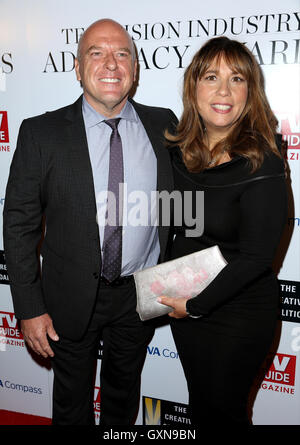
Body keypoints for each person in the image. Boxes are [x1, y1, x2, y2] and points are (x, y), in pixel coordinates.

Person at [3, 18, 177, 425]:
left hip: (139, 297)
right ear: (78, 68)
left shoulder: (165, 125)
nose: (111, 64)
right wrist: (28, 309)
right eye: (96, 53)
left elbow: (180, 207)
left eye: (122, 54)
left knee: (123, 398)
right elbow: (19, 226)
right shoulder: (40, 133)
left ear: (135, 69)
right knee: (70, 403)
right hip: (69, 298)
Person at [158, 37, 287, 425]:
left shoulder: (263, 161)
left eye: (237, 79)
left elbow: (256, 258)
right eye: (211, 77)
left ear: (251, 91)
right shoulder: (177, 152)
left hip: (238, 314)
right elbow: (174, 227)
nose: (223, 91)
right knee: (201, 408)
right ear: (193, 86)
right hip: (188, 308)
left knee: (224, 413)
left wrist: (195, 306)